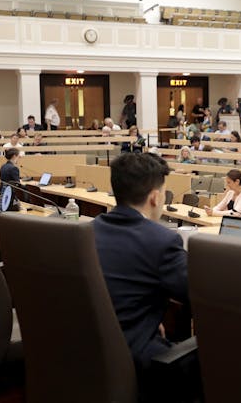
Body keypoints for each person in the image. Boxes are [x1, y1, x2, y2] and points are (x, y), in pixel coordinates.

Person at [92, 153, 194, 400]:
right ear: (155, 197)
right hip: (132, 358)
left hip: (88, 350)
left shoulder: (90, 229)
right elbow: (200, 292)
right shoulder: (162, 241)